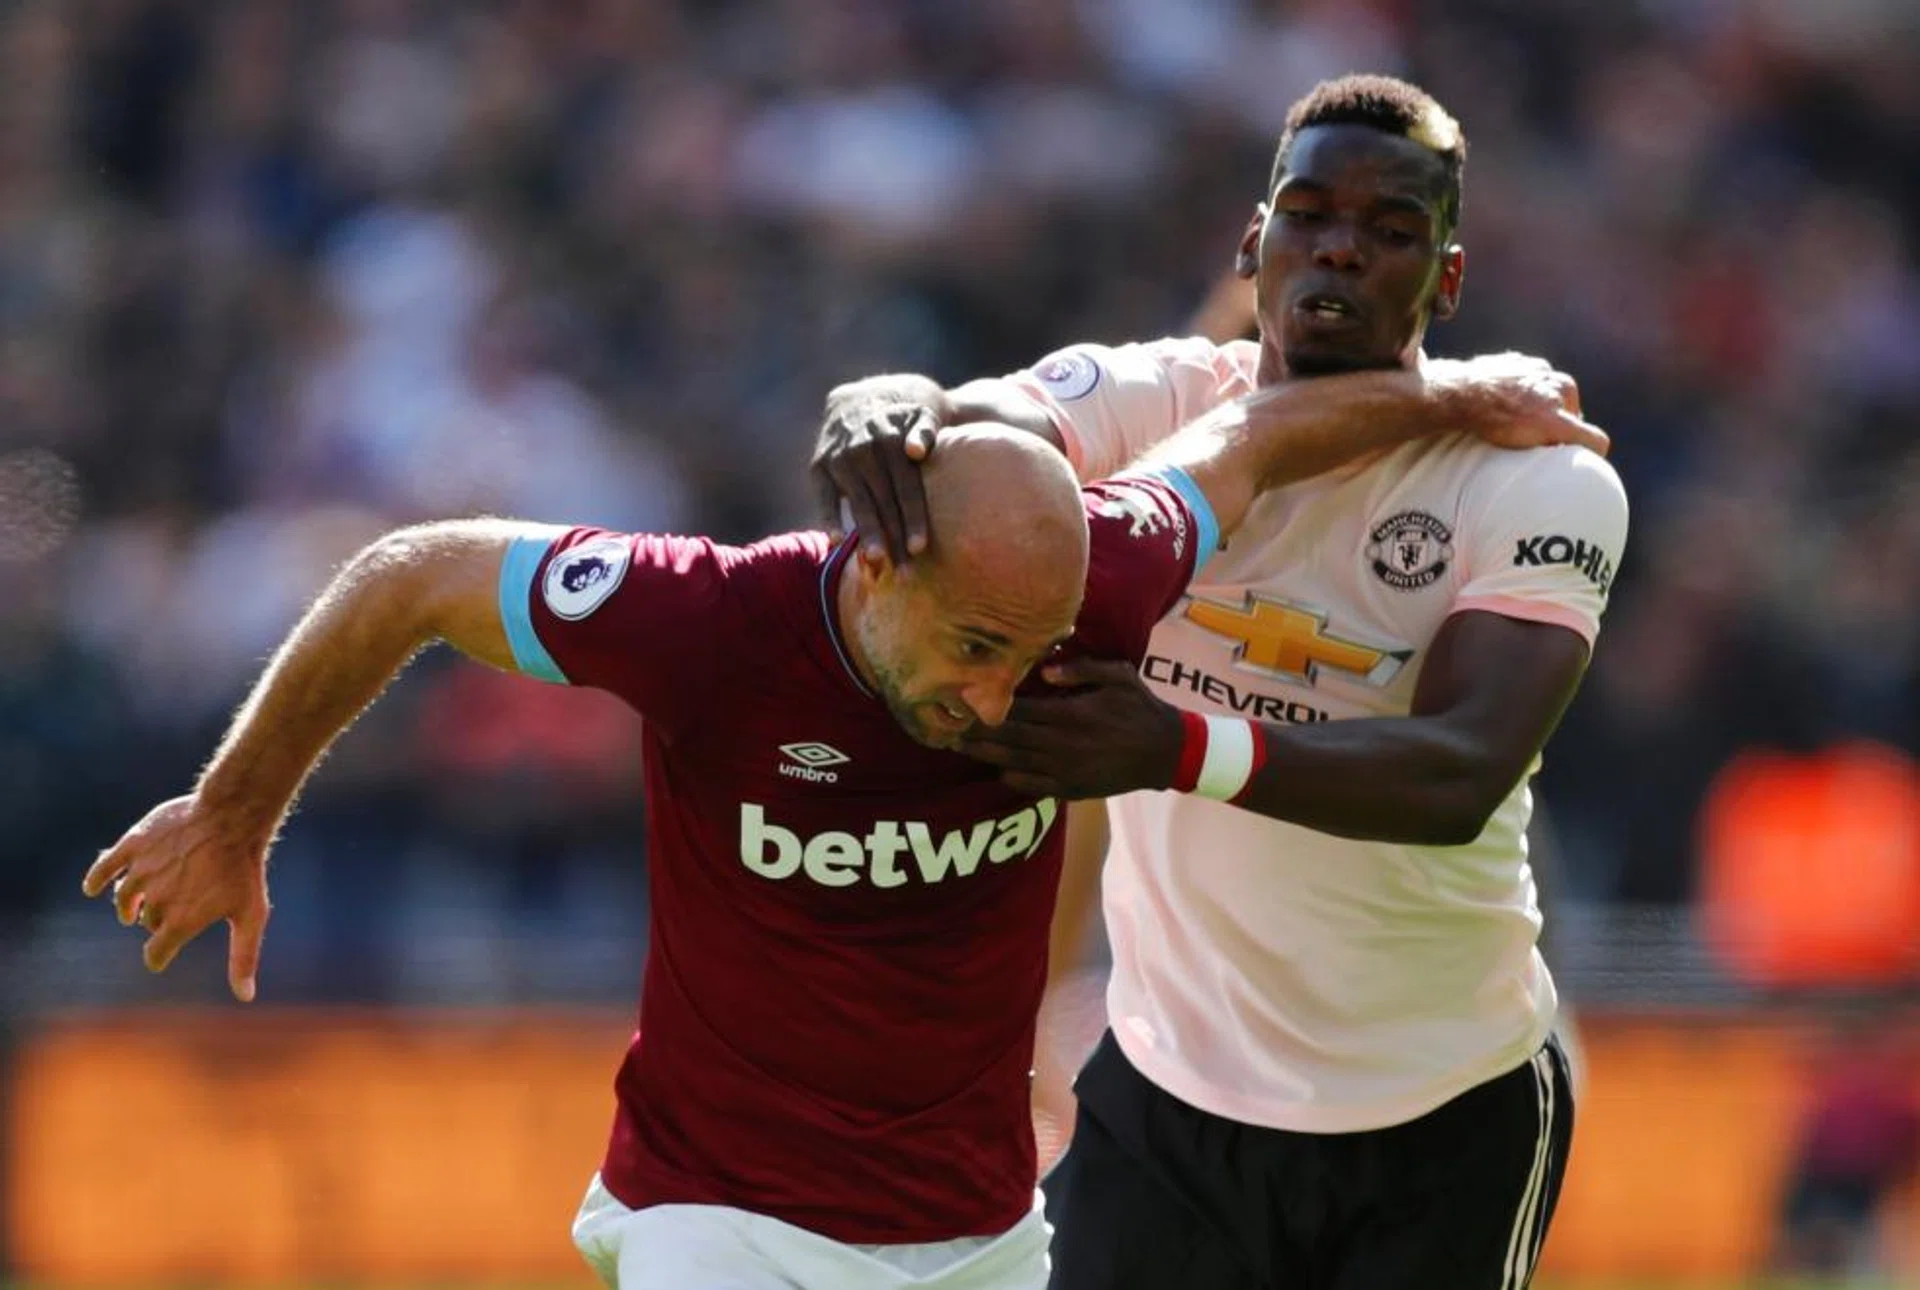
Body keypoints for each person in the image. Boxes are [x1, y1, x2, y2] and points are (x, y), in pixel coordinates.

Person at [815, 74, 1629, 1290]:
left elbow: (1460, 771)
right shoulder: (1156, 403)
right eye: (1309, 214)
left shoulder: (1533, 476)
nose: (1342, 248)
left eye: (1393, 230)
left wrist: (1174, 747)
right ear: (1254, 245)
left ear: (1444, 280)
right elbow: (980, 437)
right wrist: (893, 410)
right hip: (1167, 1099)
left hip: (1439, 1106)